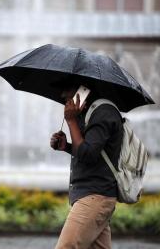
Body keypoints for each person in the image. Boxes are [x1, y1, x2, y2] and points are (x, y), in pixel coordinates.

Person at [50, 86, 123, 249]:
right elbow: (92, 152)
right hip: (95, 196)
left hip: (95, 197)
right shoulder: (91, 111)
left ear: (82, 88)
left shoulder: (103, 113)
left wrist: (71, 120)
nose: (62, 93)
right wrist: (66, 147)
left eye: (67, 88)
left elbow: (88, 154)